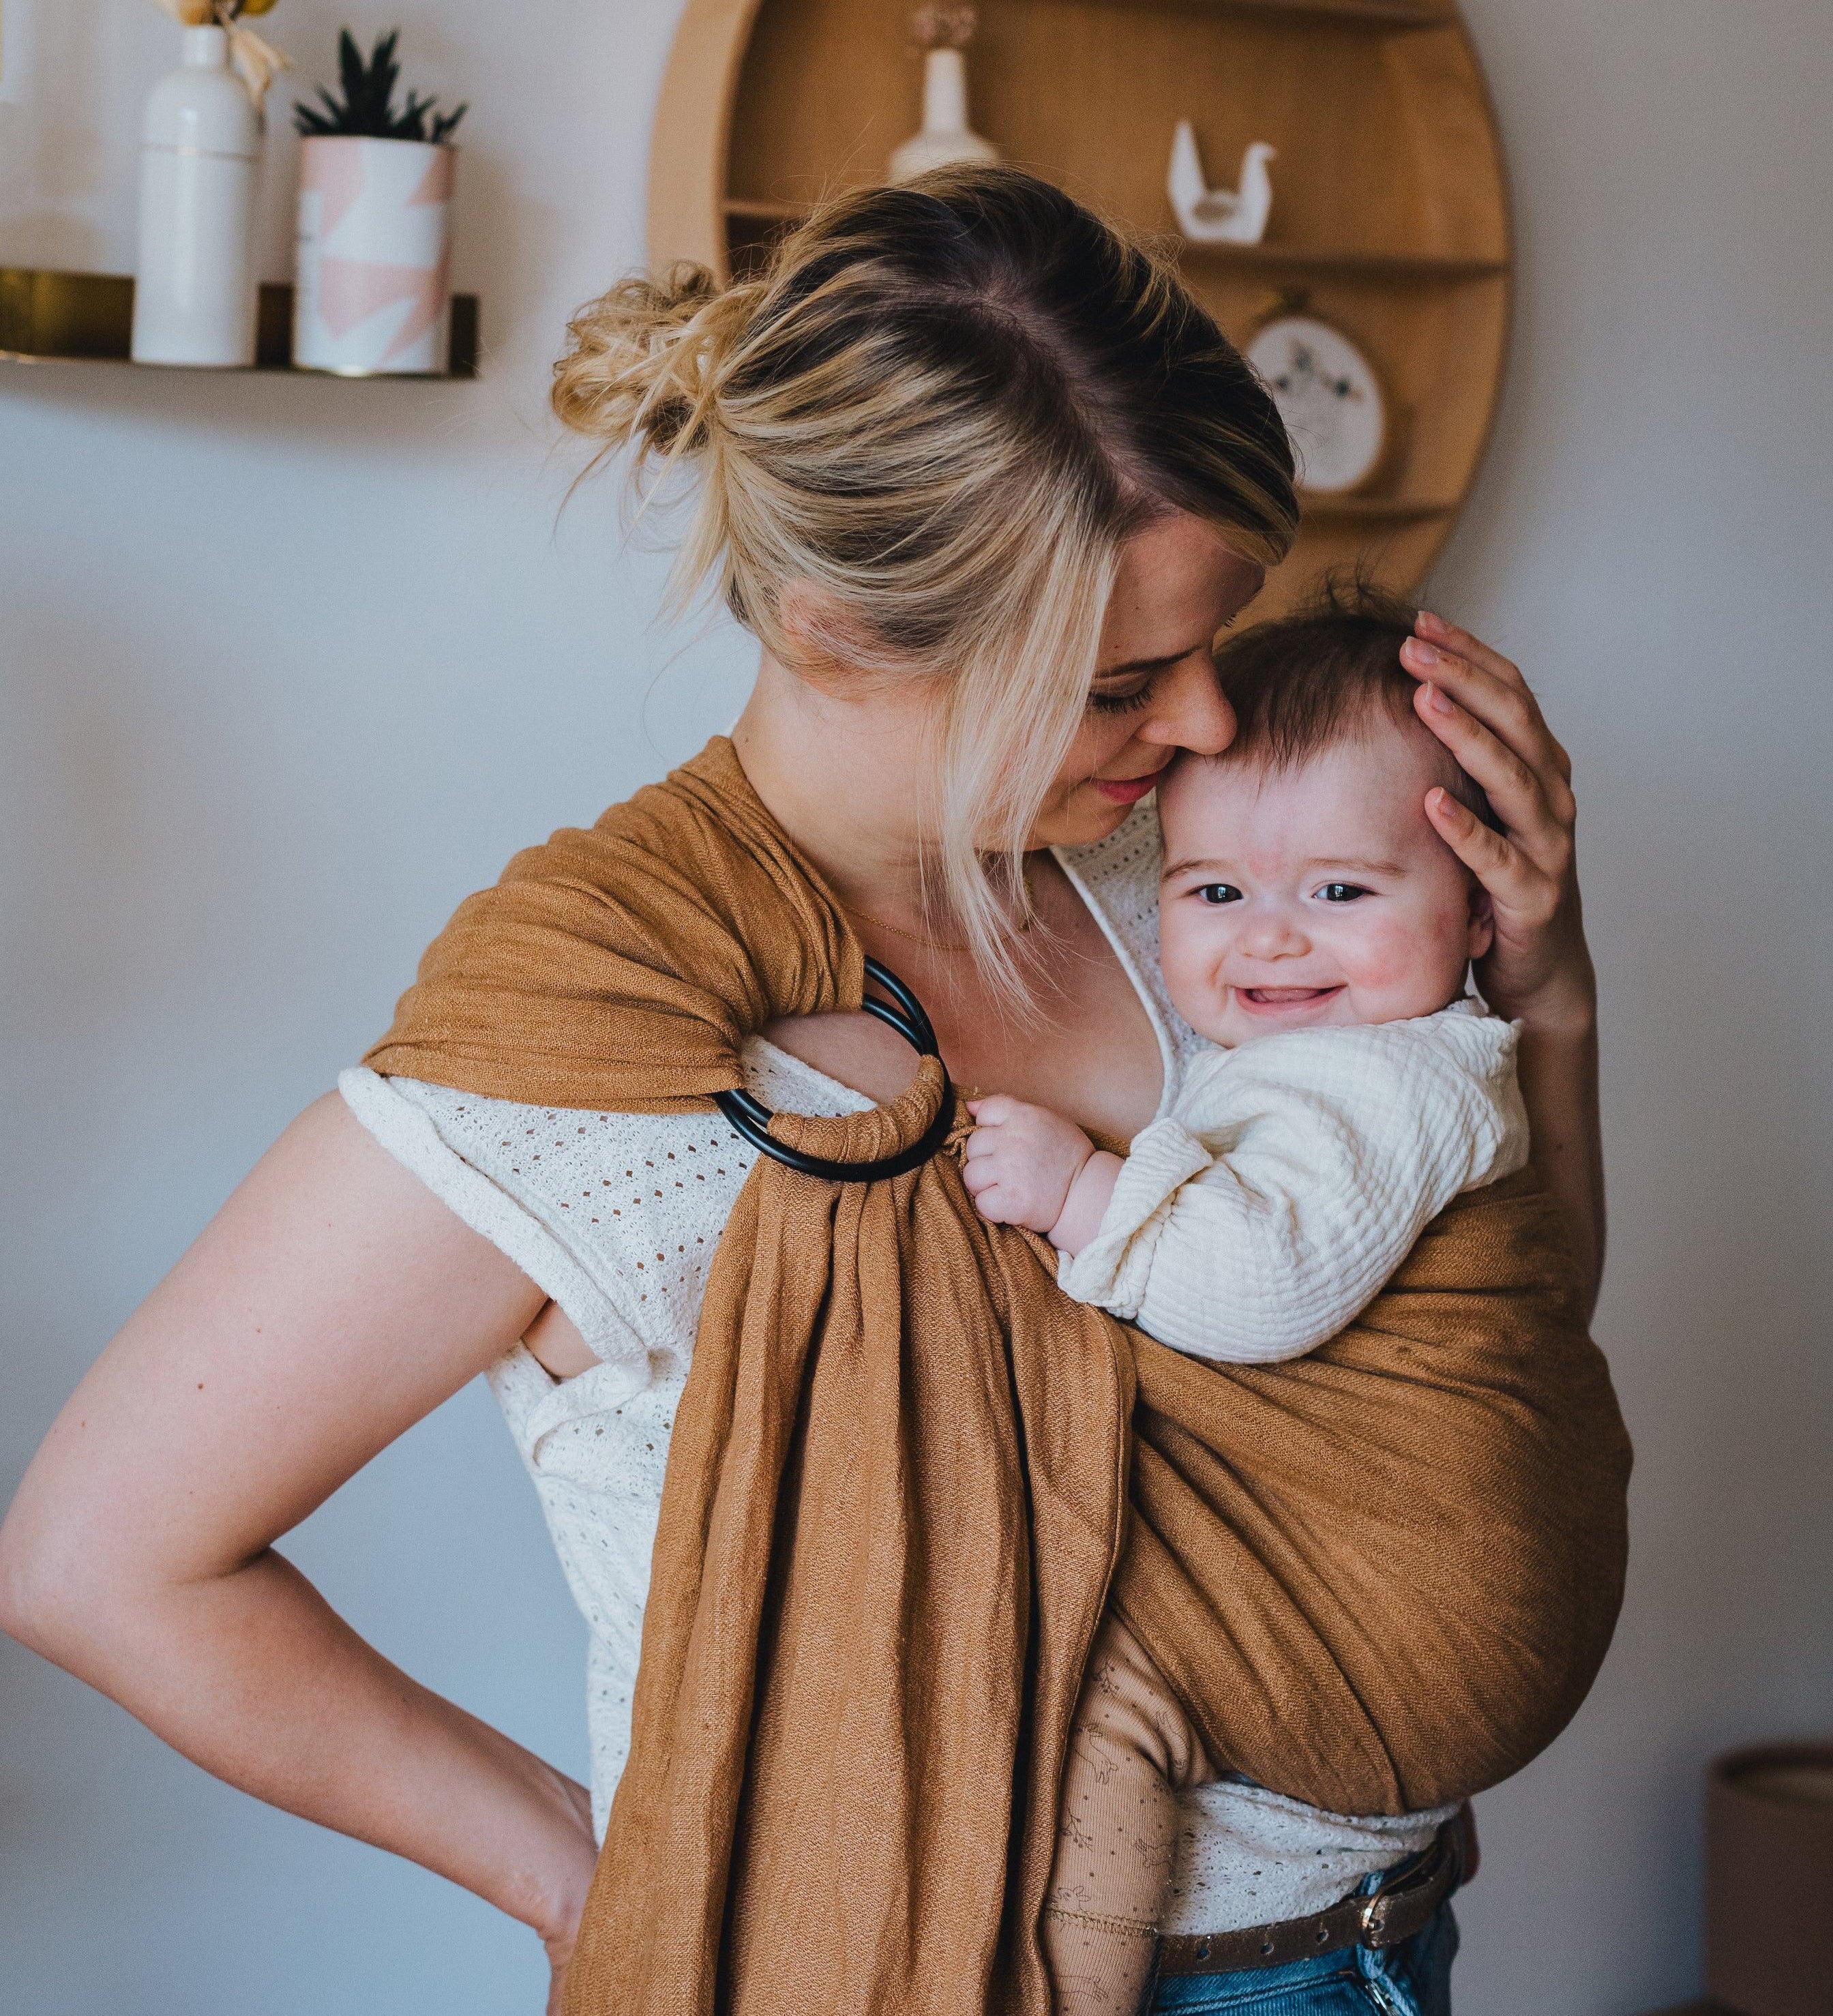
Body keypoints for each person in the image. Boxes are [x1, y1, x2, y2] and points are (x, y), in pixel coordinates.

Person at [0, 170, 1605, 2016]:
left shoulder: (1207, 892)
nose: (1213, 734)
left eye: (1214, 654)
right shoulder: (600, 1042)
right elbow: (99, 1561)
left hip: (1402, 1930)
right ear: (849, 637)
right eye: (1124, 683)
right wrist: (577, 1878)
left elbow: (1500, 1351)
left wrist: (1541, 995)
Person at [964, 583, 1600, 2016]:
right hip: (1405, 1722)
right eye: (1212, 891)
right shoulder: (1322, 1049)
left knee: (1113, 1706)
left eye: (1340, 889)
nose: (1269, 939)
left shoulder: (1388, 1076)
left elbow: (1261, 1285)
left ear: (1476, 902)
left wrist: (1081, 1194)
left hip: (1420, 1634)